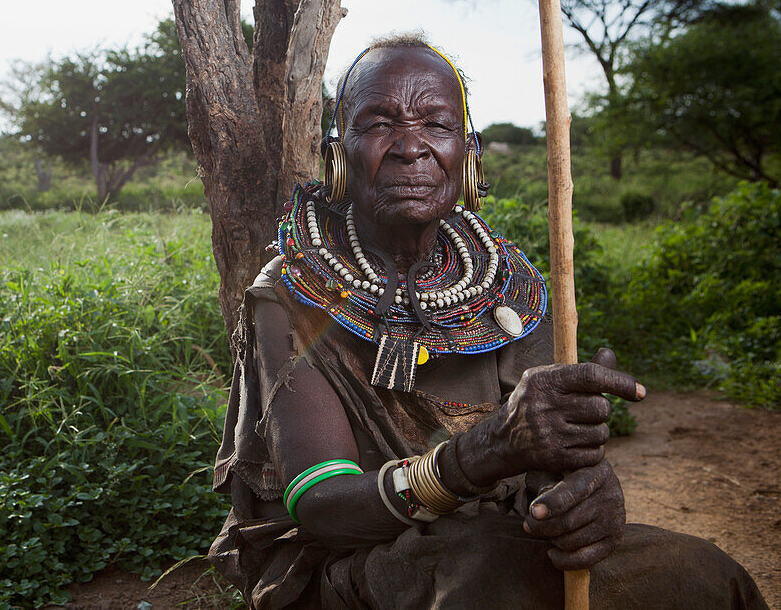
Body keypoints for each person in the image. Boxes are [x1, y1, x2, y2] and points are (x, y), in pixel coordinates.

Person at [208, 35, 767, 609]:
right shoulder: (293, 291)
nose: (410, 147)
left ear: (467, 151)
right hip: (350, 560)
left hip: (501, 538)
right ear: (338, 153)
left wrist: (585, 492)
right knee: (488, 581)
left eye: (436, 124)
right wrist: (479, 454)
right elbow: (325, 507)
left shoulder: (508, 289)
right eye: (379, 124)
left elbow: (543, 477)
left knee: (707, 577)